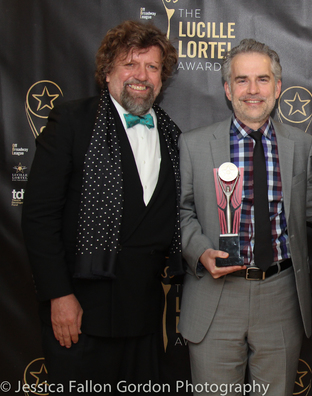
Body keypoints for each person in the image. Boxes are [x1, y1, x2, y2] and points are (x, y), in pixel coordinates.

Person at [21, 20, 181, 392]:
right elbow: (38, 217)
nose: (141, 75)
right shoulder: (72, 121)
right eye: (130, 64)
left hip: (143, 317)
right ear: (107, 70)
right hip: (79, 314)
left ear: (162, 78)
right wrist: (59, 295)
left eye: (152, 67)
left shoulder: (173, 135)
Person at [178, 38, 312, 396]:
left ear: (277, 88)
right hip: (217, 297)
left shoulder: (300, 145)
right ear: (228, 89)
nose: (252, 90)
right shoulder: (195, 145)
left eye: (262, 79)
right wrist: (199, 250)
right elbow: (181, 212)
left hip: (279, 296)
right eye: (242, 80)